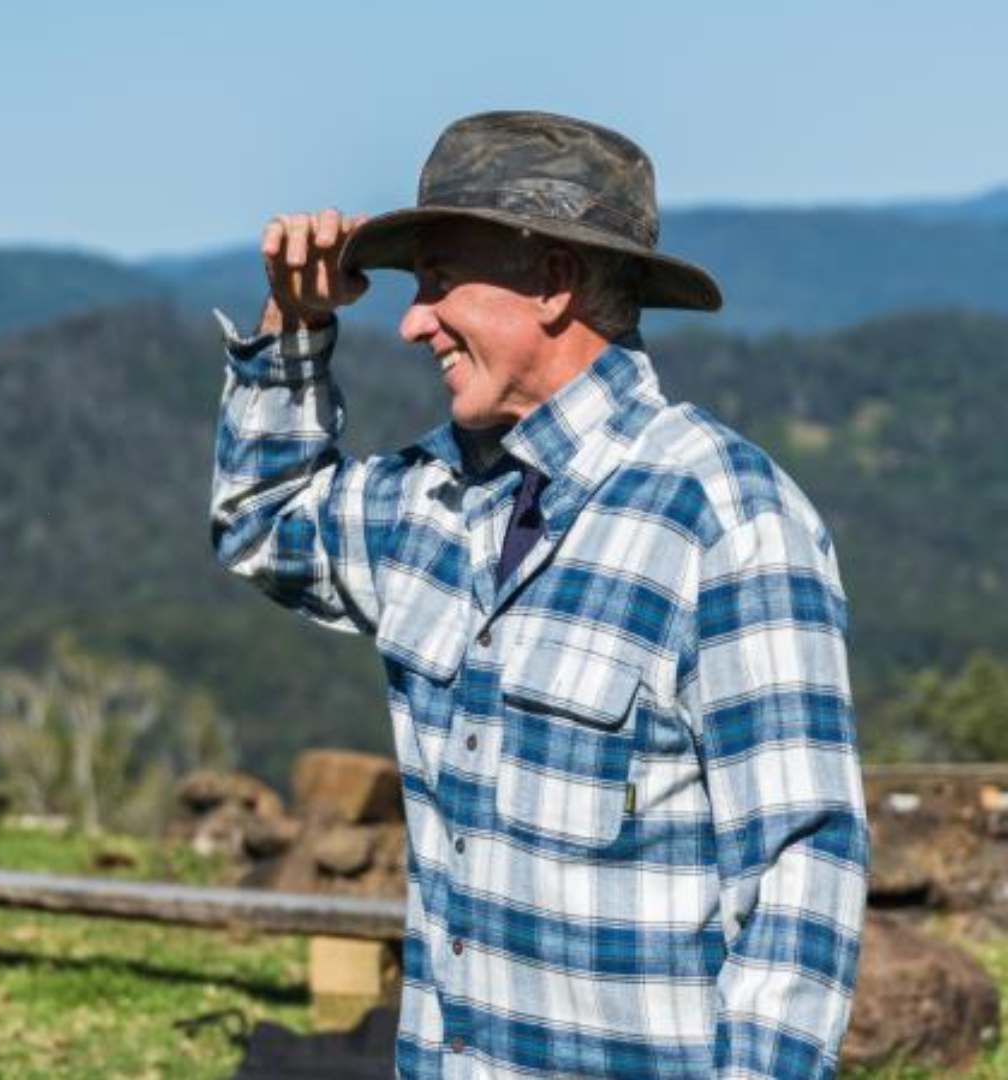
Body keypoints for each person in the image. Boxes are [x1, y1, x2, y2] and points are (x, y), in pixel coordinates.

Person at [210, 111, 868, 1078]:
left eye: (438, 280)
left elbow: (800, 872)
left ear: (553, 282)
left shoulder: (728, 519)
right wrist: (295, 329)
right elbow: (263, 521)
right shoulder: (424, 501)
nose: (410, 319)